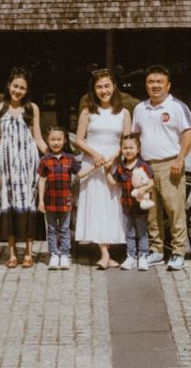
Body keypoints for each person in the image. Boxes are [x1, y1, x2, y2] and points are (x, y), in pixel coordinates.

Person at [131, 65, 191, 271]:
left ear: (168, 85)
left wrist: (180, 159)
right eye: (151, 82)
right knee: (151, 211)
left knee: (175, 210)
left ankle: (178, 252)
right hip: (146, 166)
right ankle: (156, 250)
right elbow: (135, 136)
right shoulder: (140, 108)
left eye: (159, 82)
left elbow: (189, 133)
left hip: (170, 165)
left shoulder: (177, 107)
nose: (155, 86)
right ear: (146, 85)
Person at [74, 68, 131, 270]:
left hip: (113, 162)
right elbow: (79, 140)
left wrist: (114, 157)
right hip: (93, 162)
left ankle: (110, 251)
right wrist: (96, 156)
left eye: (107, 86)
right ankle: (104, 253)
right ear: (94, 90)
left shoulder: (123, 113)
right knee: (96, 205)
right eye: (99, 87)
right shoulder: (88, 112)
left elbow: (127, 141)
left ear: (114, 87)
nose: (104, 90)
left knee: (112, 206)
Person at [0, 67, 45, 269]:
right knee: (8, 204)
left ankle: (29, 252)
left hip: (28, 165)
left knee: (29, 204)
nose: (18, 91)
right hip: (7, 166)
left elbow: (37, 137)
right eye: (15, 86)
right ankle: (11, 253)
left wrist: (53, 157)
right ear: (8, 86)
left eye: (22, 88)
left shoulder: (31, 109)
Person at [36, 125, 82, 270]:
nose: (56, 142)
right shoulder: (44, 160)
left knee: (65, 229)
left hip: (65, 200)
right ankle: (54, 254)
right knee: (51, 229)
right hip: (50, 200)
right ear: (48, 141)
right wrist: (41, 200)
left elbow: (79, 174)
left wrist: (94, 166)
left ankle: (65, 254)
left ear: (64, 141)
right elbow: (42, 180)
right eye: (53, 139)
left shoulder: (70, 159)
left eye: (59, 139)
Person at [109, 134, 153, 271]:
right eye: (125, 148)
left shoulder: (142, 165)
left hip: (140, 206)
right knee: (129, 233)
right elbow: (114, 182)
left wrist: (144, 189)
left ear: (138, 149)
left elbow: (152, 181)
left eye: (131, 148)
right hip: (126, 205)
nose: (128, 151)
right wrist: (106, 172)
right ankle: (131, 257)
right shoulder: (121, 167)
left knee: (142, 232)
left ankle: (143, 256)